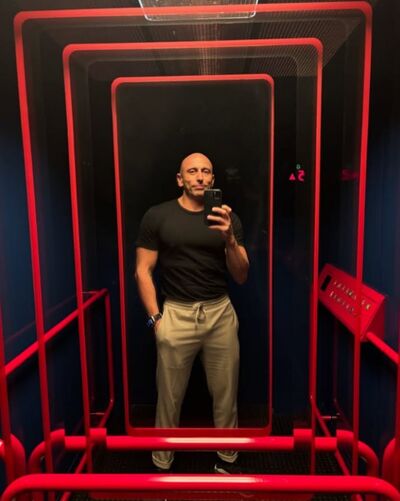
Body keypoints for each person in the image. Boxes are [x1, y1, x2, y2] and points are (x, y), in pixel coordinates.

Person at [135, 152, 249, 473]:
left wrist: (229, 238)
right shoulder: (157, 216)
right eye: (193, 171)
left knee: (226, 395)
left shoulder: (227, 218)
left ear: (213, 179)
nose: (200, 177)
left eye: (206, 172)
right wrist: (156, 320)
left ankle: (228, 460)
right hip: (176, 313)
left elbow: (241, 275)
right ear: (180, 179)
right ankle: (162, 464)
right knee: (168, 398)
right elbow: (142, 270)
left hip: (219, 312)